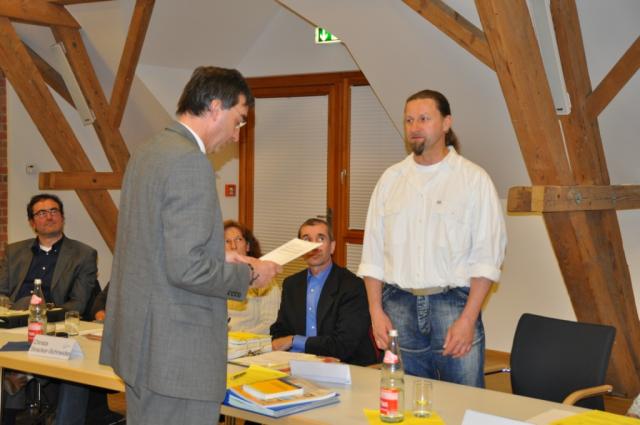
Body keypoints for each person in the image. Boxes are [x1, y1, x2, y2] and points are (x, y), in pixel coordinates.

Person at [99, 66, 281, 425]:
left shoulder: (148, 151)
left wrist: (219, 253)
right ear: (215, 107)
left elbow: (154, 243)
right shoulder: (190, 162)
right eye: (238, 120)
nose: (237, 135)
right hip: (177, 357)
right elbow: (188, 269)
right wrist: (248, 274)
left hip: (143, 347)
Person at [357, 89, 507, 387]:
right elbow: (372, 254)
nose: (415, 127)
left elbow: (487, 259)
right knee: (405, 400)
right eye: (409, 120)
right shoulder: (391, 180)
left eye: (424, 119)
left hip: (453, 307)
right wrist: (375, 312)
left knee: (464, 402)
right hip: (397, 306)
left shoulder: (473, 180)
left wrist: (468, 319)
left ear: (446, 123)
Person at [0, 193, 99, 425]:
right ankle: (21, 377)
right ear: (32, 222)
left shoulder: (84, 254)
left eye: (54, 211)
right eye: (42, 213)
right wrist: (12, 311)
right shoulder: (14, 251)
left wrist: (44, 314)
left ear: (62, 217)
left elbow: (78, 303)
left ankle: (19, 376)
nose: (49, 216)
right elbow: (2, 291)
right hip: (15, 320)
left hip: (53, 323)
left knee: (31, 311)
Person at [270, 218, 378, 366]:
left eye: (320, 239)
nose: (314, 246)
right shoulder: (291, 284)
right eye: (307, 240)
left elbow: (343, 345)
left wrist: (294, 341)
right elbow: (280, 331)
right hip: (299, 364)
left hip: (347, 366)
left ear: (332, 247)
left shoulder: (353, 286)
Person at [224, 220, 281, 335]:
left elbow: (270, 323)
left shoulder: (263, 278)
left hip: (249, 342)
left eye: (238, 240)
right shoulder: (216, 279)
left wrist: (237, 338)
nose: (233, 246)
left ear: (248, 246)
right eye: (227, 241)